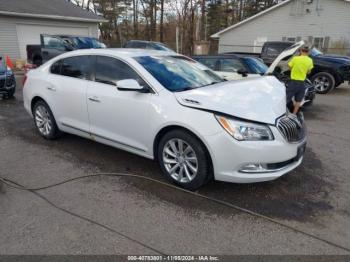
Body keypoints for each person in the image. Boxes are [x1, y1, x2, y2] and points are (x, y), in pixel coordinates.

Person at [287, 46, 314, 114]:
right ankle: (294, 114)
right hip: (302, 83)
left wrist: (293, 70)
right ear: (308, 52)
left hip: (293, 82)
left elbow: (289, 66)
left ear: (301, 51)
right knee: (298, 101)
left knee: (287, 99)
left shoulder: (295, 58)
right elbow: (309, 72)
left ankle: (283, 113)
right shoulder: (310, 60)